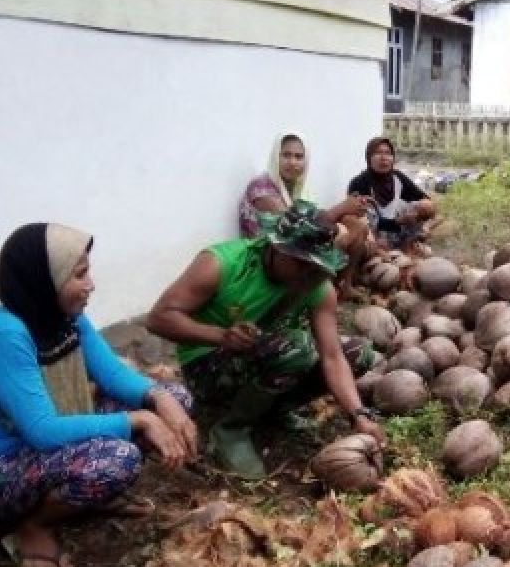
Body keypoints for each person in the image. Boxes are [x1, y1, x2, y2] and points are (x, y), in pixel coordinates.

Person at [0, 223, 197, 567]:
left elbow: (111, 374)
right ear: (43, 280)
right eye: (79, 274)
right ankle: (32, 524)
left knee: (173, 398)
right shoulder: (5, 335)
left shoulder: (65, 318)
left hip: (42, 448)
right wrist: (138, 420)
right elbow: (43, 431)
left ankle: (86, 497)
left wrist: (156, 398)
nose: (90, 284)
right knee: (117, 458)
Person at [146, 203, 384, 479]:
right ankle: (231, 428)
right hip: (208, 365)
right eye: (300, 262)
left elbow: (332, 356)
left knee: (358, 352)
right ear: (276, 246)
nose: (307, 272)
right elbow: (158, 319)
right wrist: (220, 336)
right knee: (295, 348)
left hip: (267, 354)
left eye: (314, 264)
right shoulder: (222, 263)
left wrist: (359, 414)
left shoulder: (314, 283)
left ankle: (273, 409)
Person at [239, 133, 372, 294]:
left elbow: (314, 217)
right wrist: (342, 208)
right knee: (340, 237)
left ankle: (345, 285)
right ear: (276, 156)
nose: (292, 162)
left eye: (298, 157)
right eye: (286, 155)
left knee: (355, 224)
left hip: (296, 245)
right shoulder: (261, 187)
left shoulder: (298, 187)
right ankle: (316, 291)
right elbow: (294, 228)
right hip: (268, 257)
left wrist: (350, 211)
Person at [347, 136, 435, 255]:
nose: (384, 158)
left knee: (425, 206)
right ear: (369, 158)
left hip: (399, 232)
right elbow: (365, 221)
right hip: (374, 236)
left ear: (393, 158)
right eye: (378, 153)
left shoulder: (398, 178)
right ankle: (385, 255)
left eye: (388, 153)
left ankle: (409, 246)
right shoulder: (359, 183)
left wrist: (424, 220)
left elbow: (425, 199)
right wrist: (398, 221)